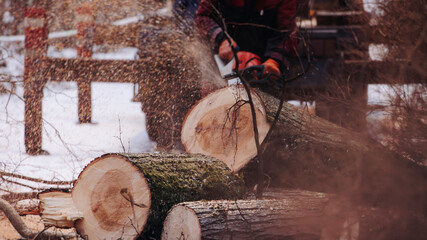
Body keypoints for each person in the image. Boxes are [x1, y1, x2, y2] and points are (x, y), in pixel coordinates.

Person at [195, 0, 298, 77]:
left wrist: (274, 60)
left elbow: (287, 32)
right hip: (222, 61)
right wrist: (220, 38)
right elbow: (202, 16)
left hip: (262, 57)